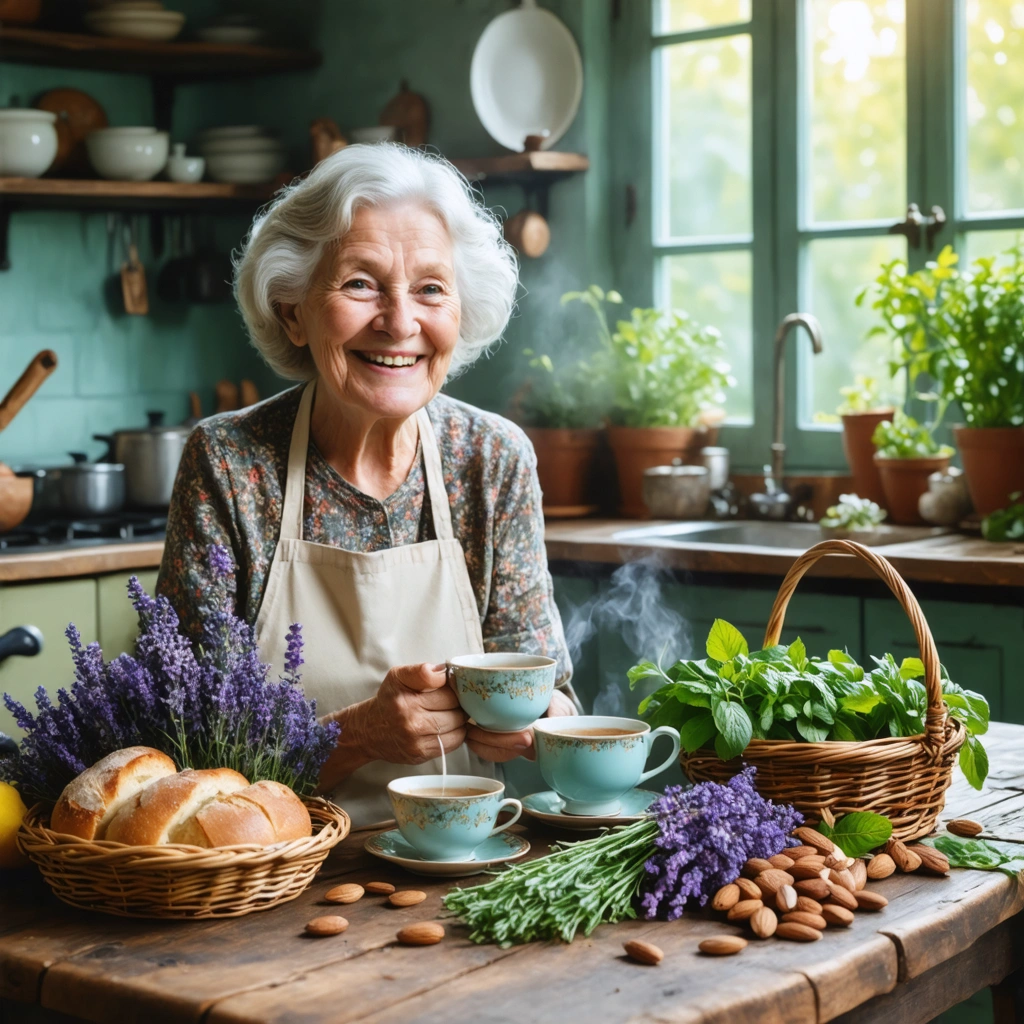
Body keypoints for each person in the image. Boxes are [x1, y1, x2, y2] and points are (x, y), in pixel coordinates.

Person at [157, 144, 577, 826]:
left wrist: (538, 727)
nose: (401, 322)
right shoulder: (231, 464)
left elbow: (554, 692)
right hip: (270, 878)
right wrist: (351, 740)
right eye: (361, 283)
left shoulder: (492, 459)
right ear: (293, 309)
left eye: (431, 289)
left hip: (467, 867)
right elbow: (186, 759)